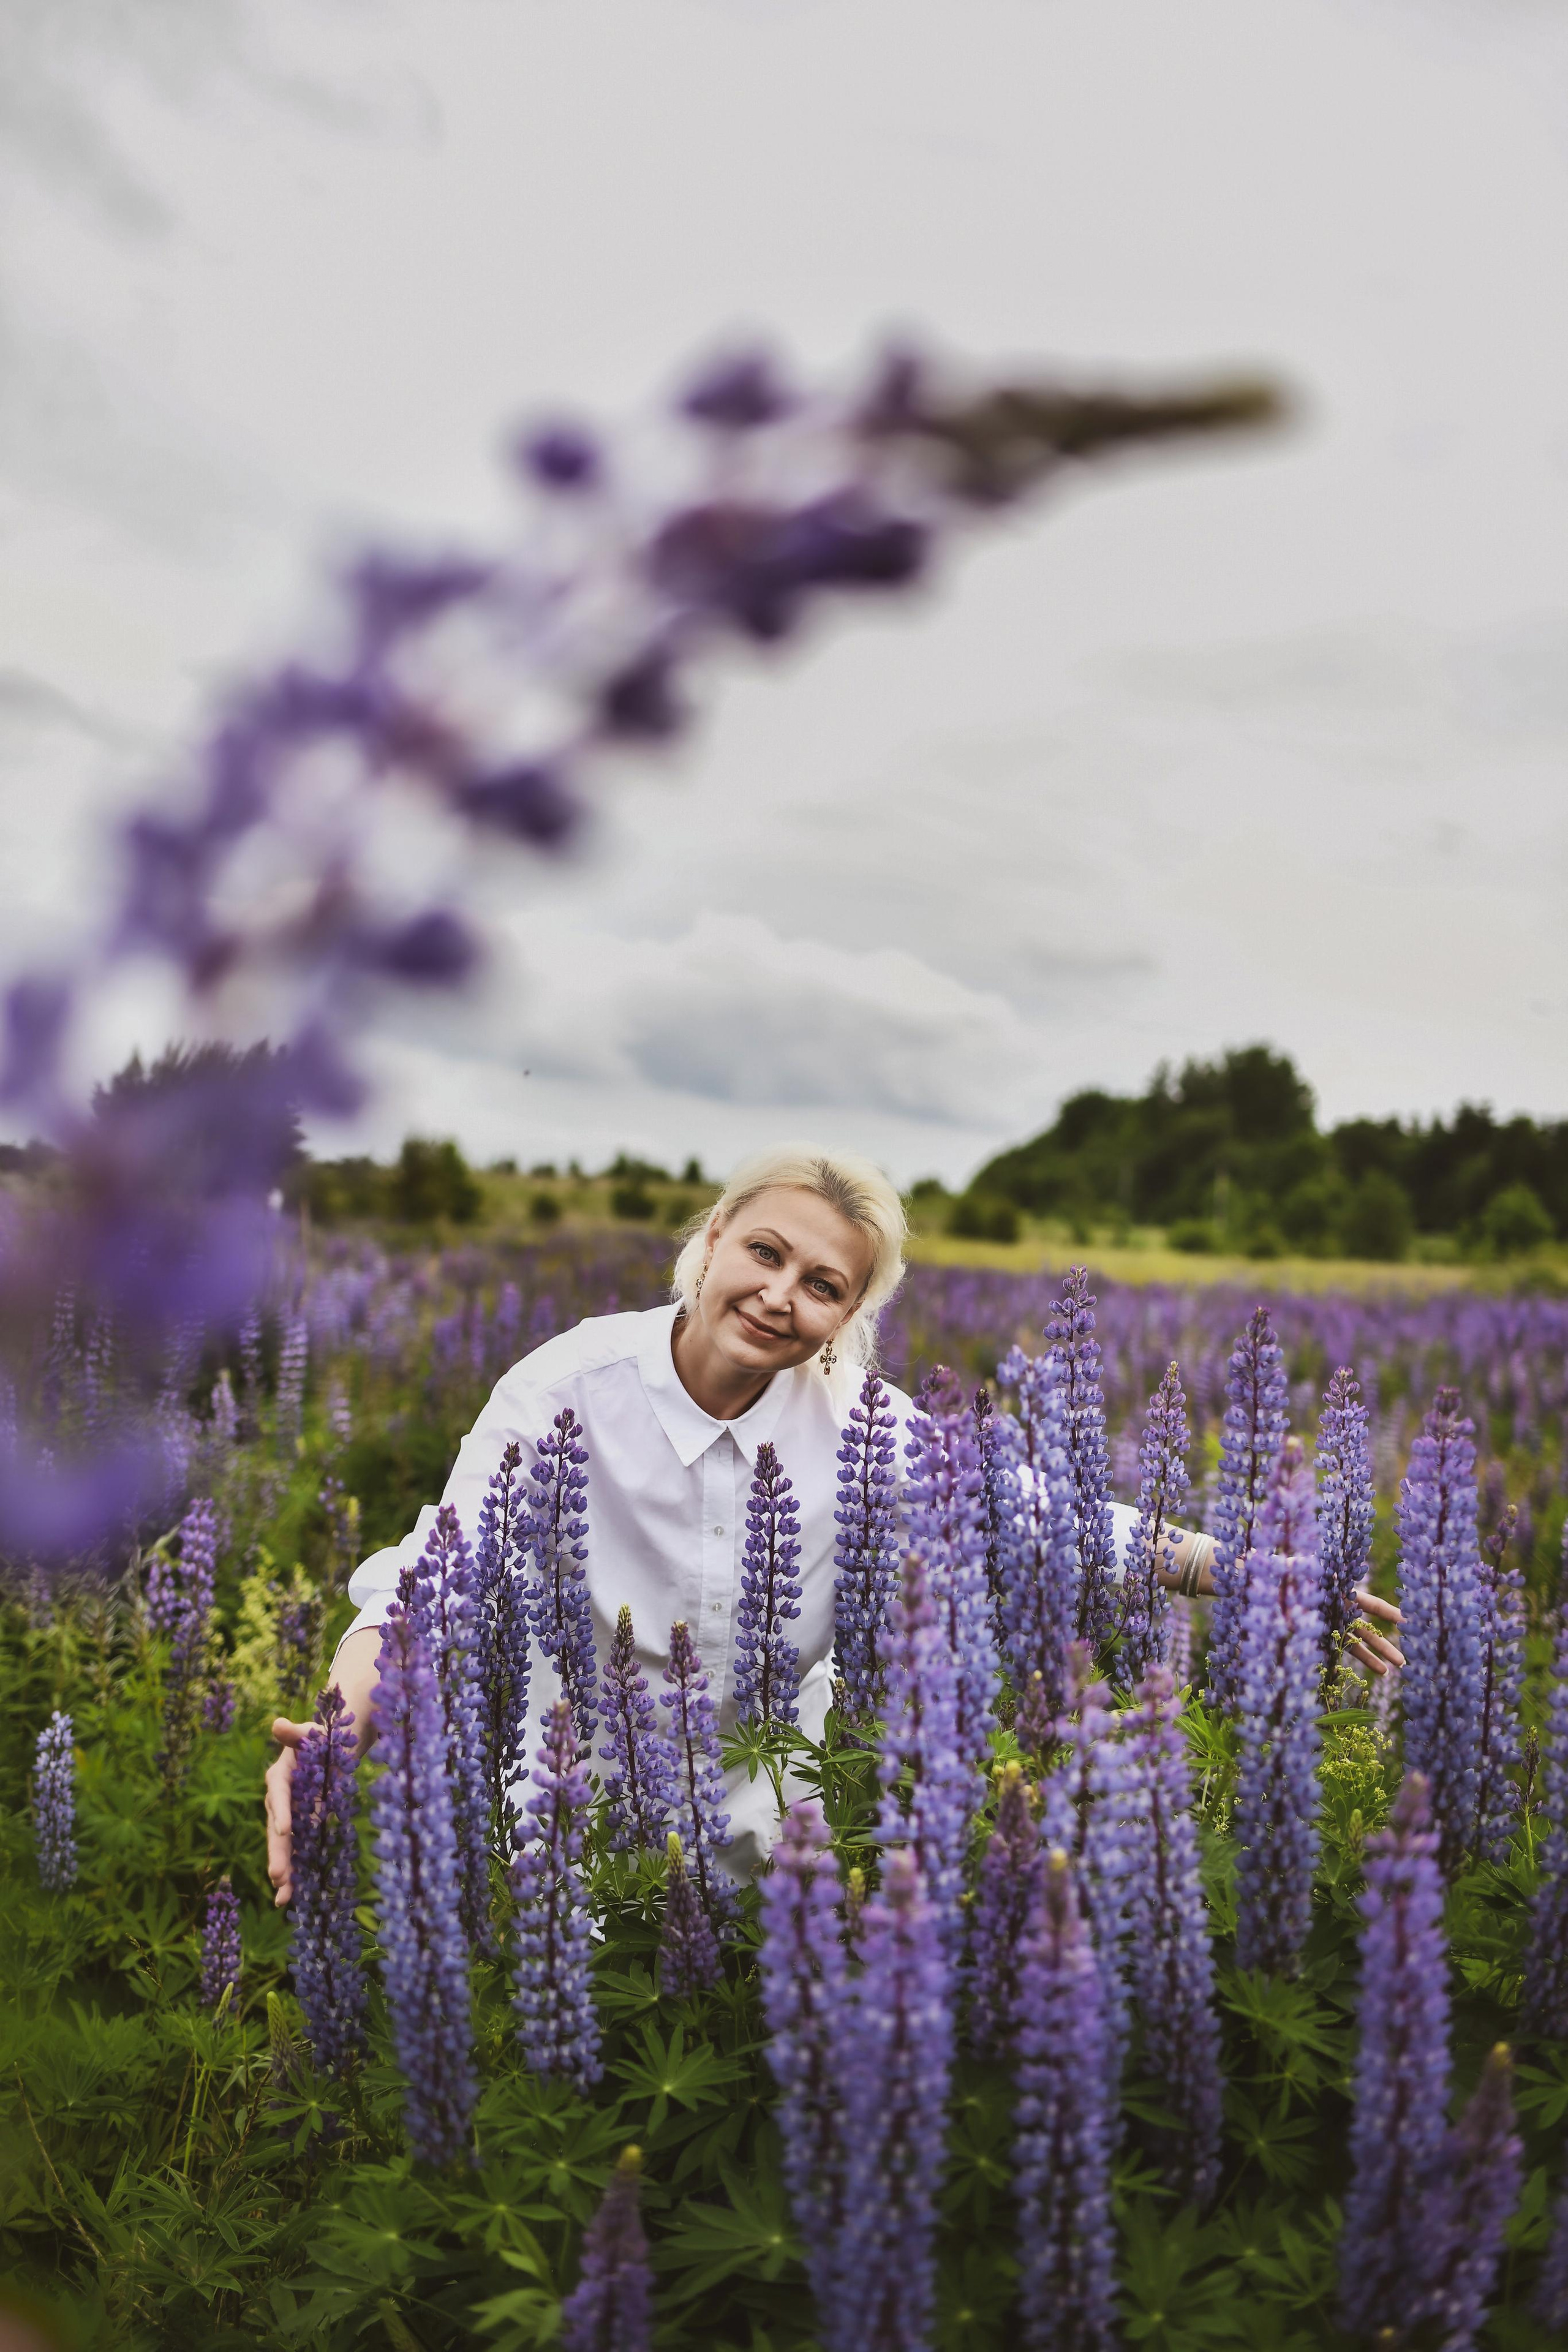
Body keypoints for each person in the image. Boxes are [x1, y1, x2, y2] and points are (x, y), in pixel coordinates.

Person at [265, 1141, 1402, 1899]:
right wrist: (337, 1725)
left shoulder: (862, 1421)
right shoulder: (568, 1383)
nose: (779, 1294)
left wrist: (1250, 1574)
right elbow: (433, 1571)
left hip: (778, 1816)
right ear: (712, 1241)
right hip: (575, 1807)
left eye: (823, 1284)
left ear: (846, 1316)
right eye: (765, 1252)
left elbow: (1039, 1517)